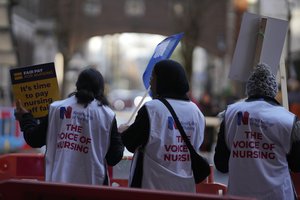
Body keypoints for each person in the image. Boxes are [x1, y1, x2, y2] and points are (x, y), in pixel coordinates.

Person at [15, 67, 124, 185]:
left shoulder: (56, 108)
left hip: (58, 188)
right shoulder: (107, 115)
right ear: (101, 89)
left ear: (77, 85)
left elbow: (34, 139)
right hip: (94, 190)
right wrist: (120, 136)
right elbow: (114, 157)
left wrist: (25, 117)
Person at [214, 63, 300, 200]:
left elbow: (221, 165)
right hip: (278, 195)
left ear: (249, 89)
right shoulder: (289, 120)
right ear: (273, 90)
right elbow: (296, 166)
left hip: (239, 195)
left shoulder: (230, 114)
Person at [120, 59, 206, 193]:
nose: (150, 81)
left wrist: (123, 131)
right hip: (185, 191)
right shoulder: (196, 112)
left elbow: (131, 143)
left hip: (151, 188)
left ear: (163, 80)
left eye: (153, 76)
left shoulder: (152, 109)